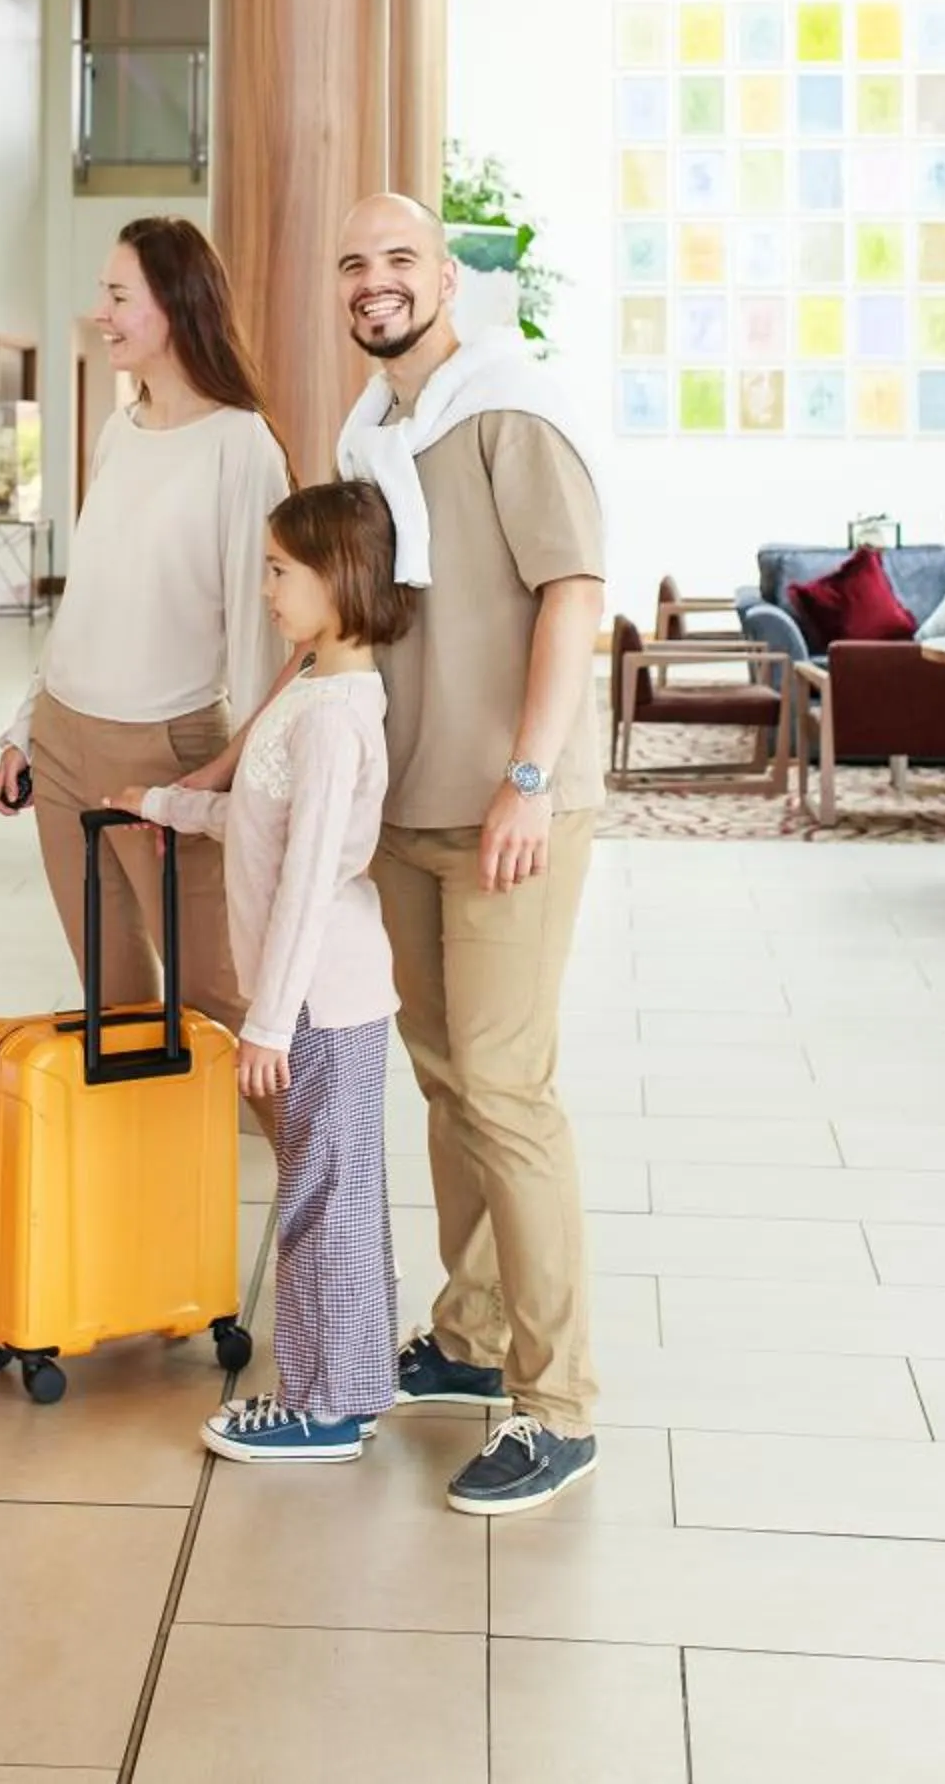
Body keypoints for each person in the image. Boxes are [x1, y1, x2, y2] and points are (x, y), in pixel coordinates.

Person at [335, 191, 606, 1520]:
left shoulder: (508, 407)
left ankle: (558, 1407)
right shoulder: (373, 432)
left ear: (447, 277)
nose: (375, 281)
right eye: (355, 264)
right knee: (446, 1081)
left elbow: (575, 591)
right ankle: (474, 1332)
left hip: (510, 804)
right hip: (410, 801)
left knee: (505, 1090)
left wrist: (531, 779)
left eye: (399, 259)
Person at [111, 478, 408, 1466]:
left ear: (340, 576)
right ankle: (354, 1384)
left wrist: (268, 1022)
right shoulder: (315, 690)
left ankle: (320, 1406)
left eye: (281, 571)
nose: (268, 590)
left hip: (318, 996)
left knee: (318, 1195)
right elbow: (260, 818)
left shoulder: (330, 714)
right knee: (336, 1187)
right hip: (326, 993)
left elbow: (310, 878)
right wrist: (164, 804)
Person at [0, 216, 289, 1034]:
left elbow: (264, 643)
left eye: (119, 295)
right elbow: (86, 597)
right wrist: (25, 728)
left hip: (168, 758)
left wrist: (239, 789)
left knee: (216, 1000)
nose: (102, 313)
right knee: (112, 997)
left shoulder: (242, 446)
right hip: (61, 743)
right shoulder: (119, 431)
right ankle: (146, 1159)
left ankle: (300, 1158)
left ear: (178, 306)